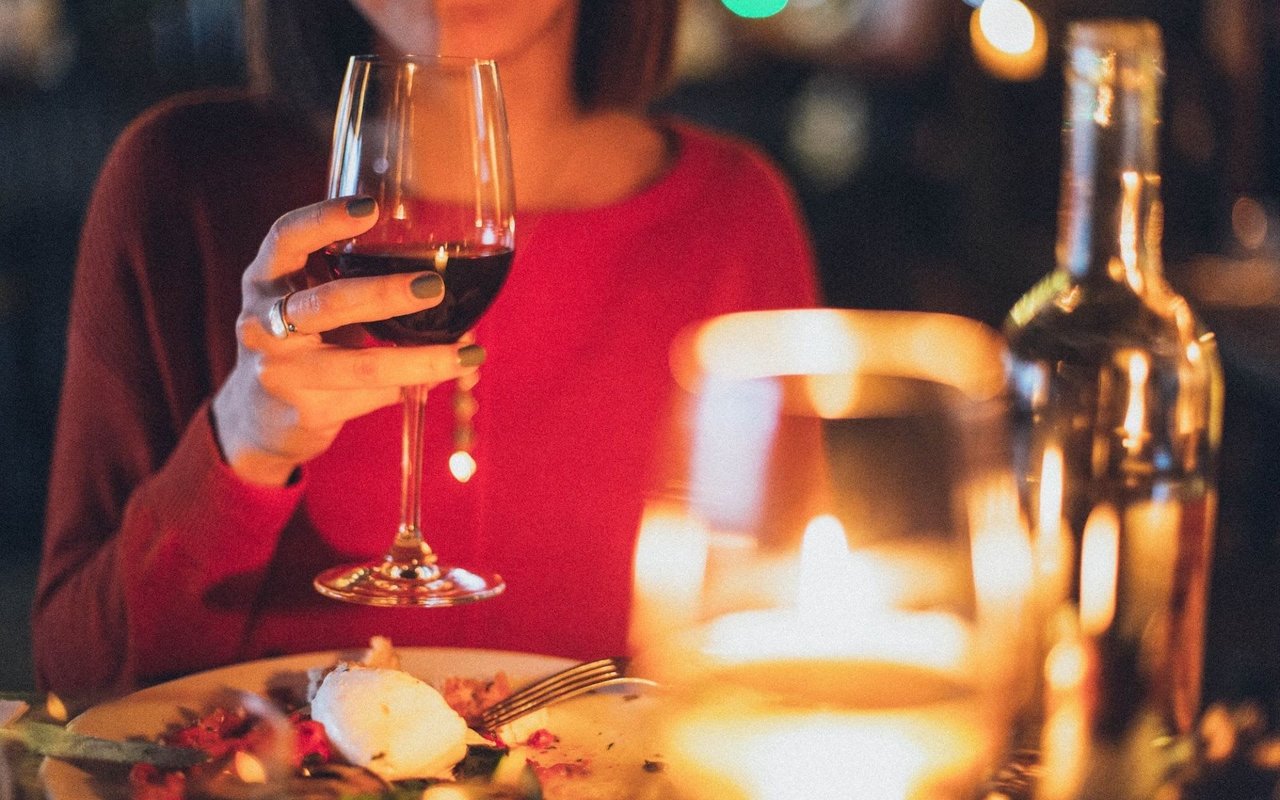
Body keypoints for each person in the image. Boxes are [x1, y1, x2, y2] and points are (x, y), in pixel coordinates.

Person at [34, 0, 819, 696]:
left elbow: (778, 669)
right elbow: (75, 684)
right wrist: (240, 445)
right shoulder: (178, 182)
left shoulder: (733, 220)